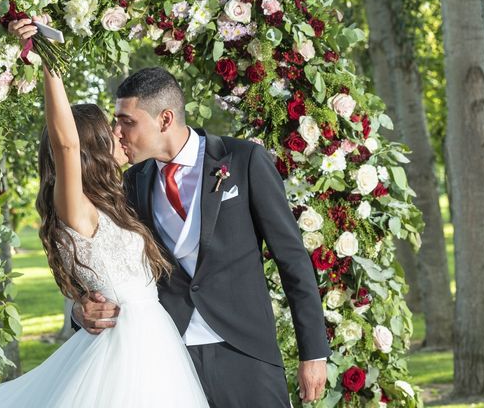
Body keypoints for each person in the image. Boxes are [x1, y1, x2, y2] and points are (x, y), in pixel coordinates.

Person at [0, 17, 209, 407]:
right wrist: (50, 65)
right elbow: (65, 146)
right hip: (122, 351)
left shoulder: (116, 201)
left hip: (158, 344)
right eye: (112, 130)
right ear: (91, 146)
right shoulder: (77, 209)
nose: (121, 135)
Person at [74, 67, 331, 407]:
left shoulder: (243, 161)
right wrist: (80, 312)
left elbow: (292, 259)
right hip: (168, 357)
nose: (117, 132)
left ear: (165, 119)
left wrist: (314, 352)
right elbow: (104, 262)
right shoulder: (131, 183)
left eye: (127, 122)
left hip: (246, 350)